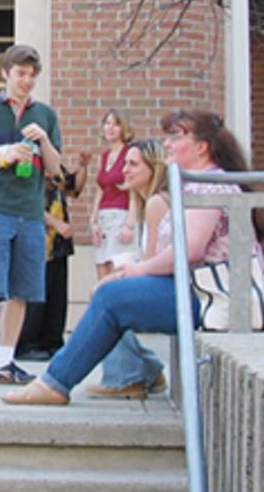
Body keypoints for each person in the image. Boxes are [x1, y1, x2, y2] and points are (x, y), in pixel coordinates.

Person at [1, 108, 258, 406]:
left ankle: (58, 383)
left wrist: (135, 271)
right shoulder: (199, 182)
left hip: (217, 298)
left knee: (112, 297)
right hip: (203, 292)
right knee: (113, 292)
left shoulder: (212, 184)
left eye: (175, 137)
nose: (167, 145)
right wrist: (130, 273)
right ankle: (117, 374)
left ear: (201, 147)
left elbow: (190, 250)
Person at [0, 43, 62, 388]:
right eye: (21, 73)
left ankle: (6, 360)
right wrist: (5, 158)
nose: (27, 81)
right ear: (5, 73)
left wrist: (45, 141)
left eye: (32, 75)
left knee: (23, 291)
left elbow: (55, 170)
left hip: (31, 215)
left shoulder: (45, 115)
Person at [86, 138, 169, 399]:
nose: (124, 170)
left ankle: (127, 377)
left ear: (152, 169)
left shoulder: (157, 203)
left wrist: (119, 276)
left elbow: (153, 267)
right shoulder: (148, 203)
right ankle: (148, 369)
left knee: (108, 297)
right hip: (164, 282)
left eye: (132, 164)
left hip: (172, 288)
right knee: (107, 289)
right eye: (125, 164)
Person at [15, 160, 86, 361]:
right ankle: (27, 344)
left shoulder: (58, 171)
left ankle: (53, 341)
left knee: (57, 295)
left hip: (58, 245)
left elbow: (74, 189)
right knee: (36, 297)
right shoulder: (28, 170)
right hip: (38, 241)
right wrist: (57, 224)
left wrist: (83, 166)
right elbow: (28, 202)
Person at [89, 109, 139, 280]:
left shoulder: (129, 154)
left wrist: (130, 225)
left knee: (117, 273)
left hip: (121, 217)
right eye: (107, 123)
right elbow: (100, 189)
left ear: (124, 128)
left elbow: (135, 191)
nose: (110, 128)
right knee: (102, 272)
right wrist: (93, 221)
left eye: (116, 124)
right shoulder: (104, 156)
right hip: (103, 219)